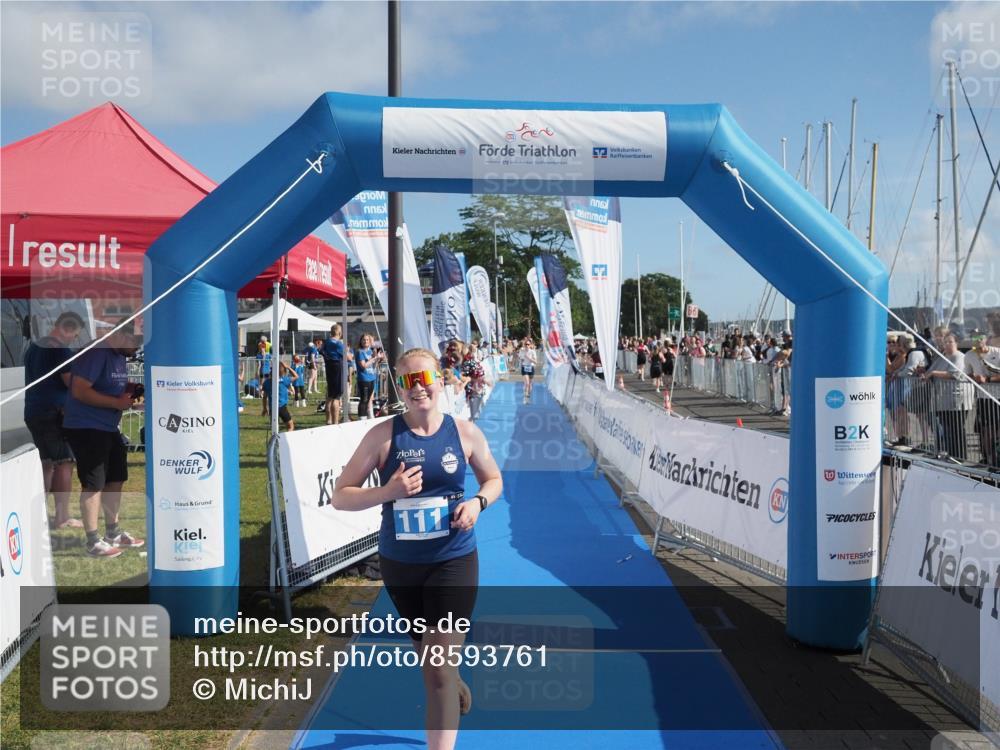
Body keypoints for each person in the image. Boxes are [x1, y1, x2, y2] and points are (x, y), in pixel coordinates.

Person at [332, 348, 502, 750]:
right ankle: (451, 678)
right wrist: (387, 492)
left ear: (440, 380)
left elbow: (493, 479)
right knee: (434, 666)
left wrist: (477, 504)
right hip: (402, 565)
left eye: (424, 378)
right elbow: (340, 496)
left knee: (436, 671)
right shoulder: (383, 436)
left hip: (454, 560)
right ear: (399, 387)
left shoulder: (464, 433)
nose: (417, 388)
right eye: (407, 381)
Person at [62, 325, 145, 558]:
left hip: (108, 426)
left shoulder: (119, 355)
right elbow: (79, 390)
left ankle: (113, 533)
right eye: (136, 341)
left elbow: (110, 384)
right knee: (94, 483)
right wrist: (116, 403)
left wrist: (132, 389)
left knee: (116, 478)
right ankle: (92, 542)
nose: (138, 348)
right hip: (86, 426)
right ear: (120, 335)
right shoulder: (97, 352)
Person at [23, 312, 85, 529]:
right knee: (64, 462)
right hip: (54, 413)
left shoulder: (34, 348)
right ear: (67, 328)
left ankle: (38, 515)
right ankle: (62, 517)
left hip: (33, 411)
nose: (74, 340)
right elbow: (71, 382)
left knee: (47, 464)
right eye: (75, 335)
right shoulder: (59, 349)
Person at [922, 333, 972, 460]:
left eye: (950, 342)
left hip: (957, 399)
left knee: (957, 428)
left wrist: (933, 373)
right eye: (945, 342)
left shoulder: (959, 357)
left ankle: (960, 456)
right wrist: (926, 374)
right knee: (947, 428)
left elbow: (954, 374)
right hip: (942, 400)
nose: (947, 344)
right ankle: (951, 454)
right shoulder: (941, 358)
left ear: (956, 343)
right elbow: (929, 371)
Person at [964, 335, 1000, 468]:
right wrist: (974, 378)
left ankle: (996, 457)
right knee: (987, 430)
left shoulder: (997, 352)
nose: (978, 341)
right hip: (984, 398)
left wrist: (988, 380)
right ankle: (988, 458)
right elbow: (967, 375)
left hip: (998, 396)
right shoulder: (969, 355)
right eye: (975, 338)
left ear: (986, 340)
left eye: (980, 338)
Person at [322, 324, 347, 425]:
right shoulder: (339, 343)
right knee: (336, 397)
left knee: (330, 395)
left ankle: (328, 420)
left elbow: (321, 351)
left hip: (329, 367)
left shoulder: (326, 342)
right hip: (337, 367)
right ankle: (335, 422)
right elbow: (347, 357)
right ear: (340, 333)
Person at [262, 362, 297, 431]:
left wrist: (265, 408)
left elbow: (264, 397)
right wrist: (288, 367)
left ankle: (275, 437)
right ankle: (286, 437)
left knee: (274, 428)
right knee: (290, 426)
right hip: (282, 407)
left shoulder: (266, 382)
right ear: (283, 372)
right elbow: (296, 376)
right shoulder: (285, 380)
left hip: (272, 407)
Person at [355, 334, 383, 420]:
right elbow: (363, 365)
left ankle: (370, 416)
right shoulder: (360, 352)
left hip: (372, 378)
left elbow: (373, 365)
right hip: (364, 379)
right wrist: (374, 359)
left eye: (367, 340)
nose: (365, 341)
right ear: (361, 341)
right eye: (364, 340)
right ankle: (362, 419)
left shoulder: (370, 351)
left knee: (369, 399)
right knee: (364, 399)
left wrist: (378, 359)